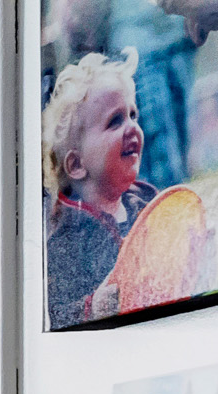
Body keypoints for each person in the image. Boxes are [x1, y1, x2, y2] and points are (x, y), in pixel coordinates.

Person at [44, 52, 149, 326]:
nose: (133, 127)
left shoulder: (146, 202)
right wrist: (93, 308)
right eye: (115, 120)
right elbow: (53, 316)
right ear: (77, 164)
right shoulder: (67, 240)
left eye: (132, 114)